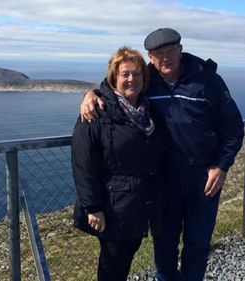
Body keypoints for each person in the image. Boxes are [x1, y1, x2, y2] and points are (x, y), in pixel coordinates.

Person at [80, 28, 244, 280]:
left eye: (170, 51)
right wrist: (91, 95)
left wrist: (221, 166)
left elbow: (233, 127)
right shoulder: (147, 80)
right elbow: (118, 89)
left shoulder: (208, 81)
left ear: (180, 49)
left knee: (197, 245)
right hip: (162, 182)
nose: (166, 58)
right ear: (151, 57)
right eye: (159, 54)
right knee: (164, 246)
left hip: (203, 179)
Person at [71, 46, 165, 281]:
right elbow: (83, 164)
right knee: (112, 266)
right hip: (112, 207)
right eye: (125, 74)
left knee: (124, 260)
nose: (131, 79)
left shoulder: (145, 110)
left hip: (138, 205)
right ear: (114, 78)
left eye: (137, 73)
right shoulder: (97, 112)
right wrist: (93, 207)